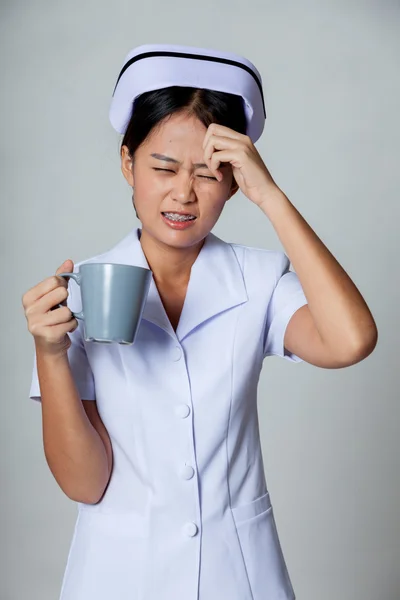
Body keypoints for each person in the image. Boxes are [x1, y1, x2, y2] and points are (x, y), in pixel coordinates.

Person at [22, 43, 378, 600]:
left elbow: (352, 340)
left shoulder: (257, 279)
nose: (183, 193)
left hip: (239, 577)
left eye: (209, 175)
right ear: (127, 163)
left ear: (234, 180)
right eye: (162, 167)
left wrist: (272, 196)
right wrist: (49, 354)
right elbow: (84, 483)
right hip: (117, 578)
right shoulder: (81, 292)